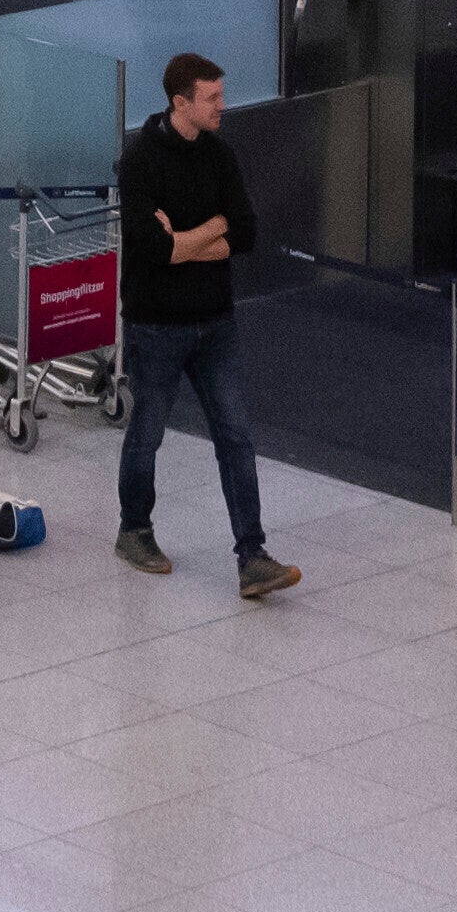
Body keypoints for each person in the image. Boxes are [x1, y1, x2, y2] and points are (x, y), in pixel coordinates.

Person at [111, 50, 299, 598]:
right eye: (212, 98)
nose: (223, 106)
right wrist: (200, 236)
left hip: (215, 322)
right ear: (180, 103)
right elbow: (151, 248)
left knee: (236, 438)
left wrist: (184, 241)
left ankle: (252, 555)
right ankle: (134, 531)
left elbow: (243, 232)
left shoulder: (219, 154)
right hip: (156, 326)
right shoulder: (141, 159)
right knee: (146, 436)